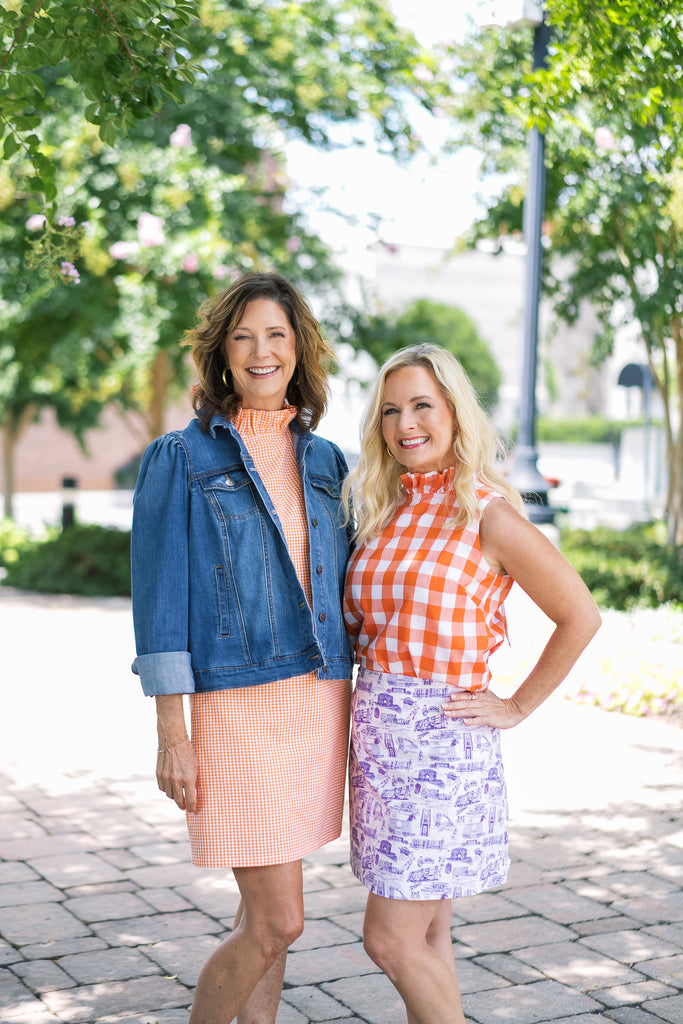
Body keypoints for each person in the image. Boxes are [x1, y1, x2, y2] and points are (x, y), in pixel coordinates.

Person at [342, 343, 601, 1024]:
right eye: (391, 410)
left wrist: (516, 705)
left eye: (422, 405)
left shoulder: (488, 513)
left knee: (387, 939)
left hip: (440, 750)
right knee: (427, 934)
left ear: (454, 412)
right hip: (377, 743)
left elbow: (580, 615)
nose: (405, 424)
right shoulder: (381, 508)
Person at [130, 271, 353, 1024]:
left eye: (277, 335)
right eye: (243, 335)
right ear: (221, 353)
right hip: (236, 710)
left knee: (267, 922)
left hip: (317, 700)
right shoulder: (180, 458)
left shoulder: (327, 462)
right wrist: (172, 734)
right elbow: (160, 607)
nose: (261, 351)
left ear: (300, 350)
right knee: (277, 921)